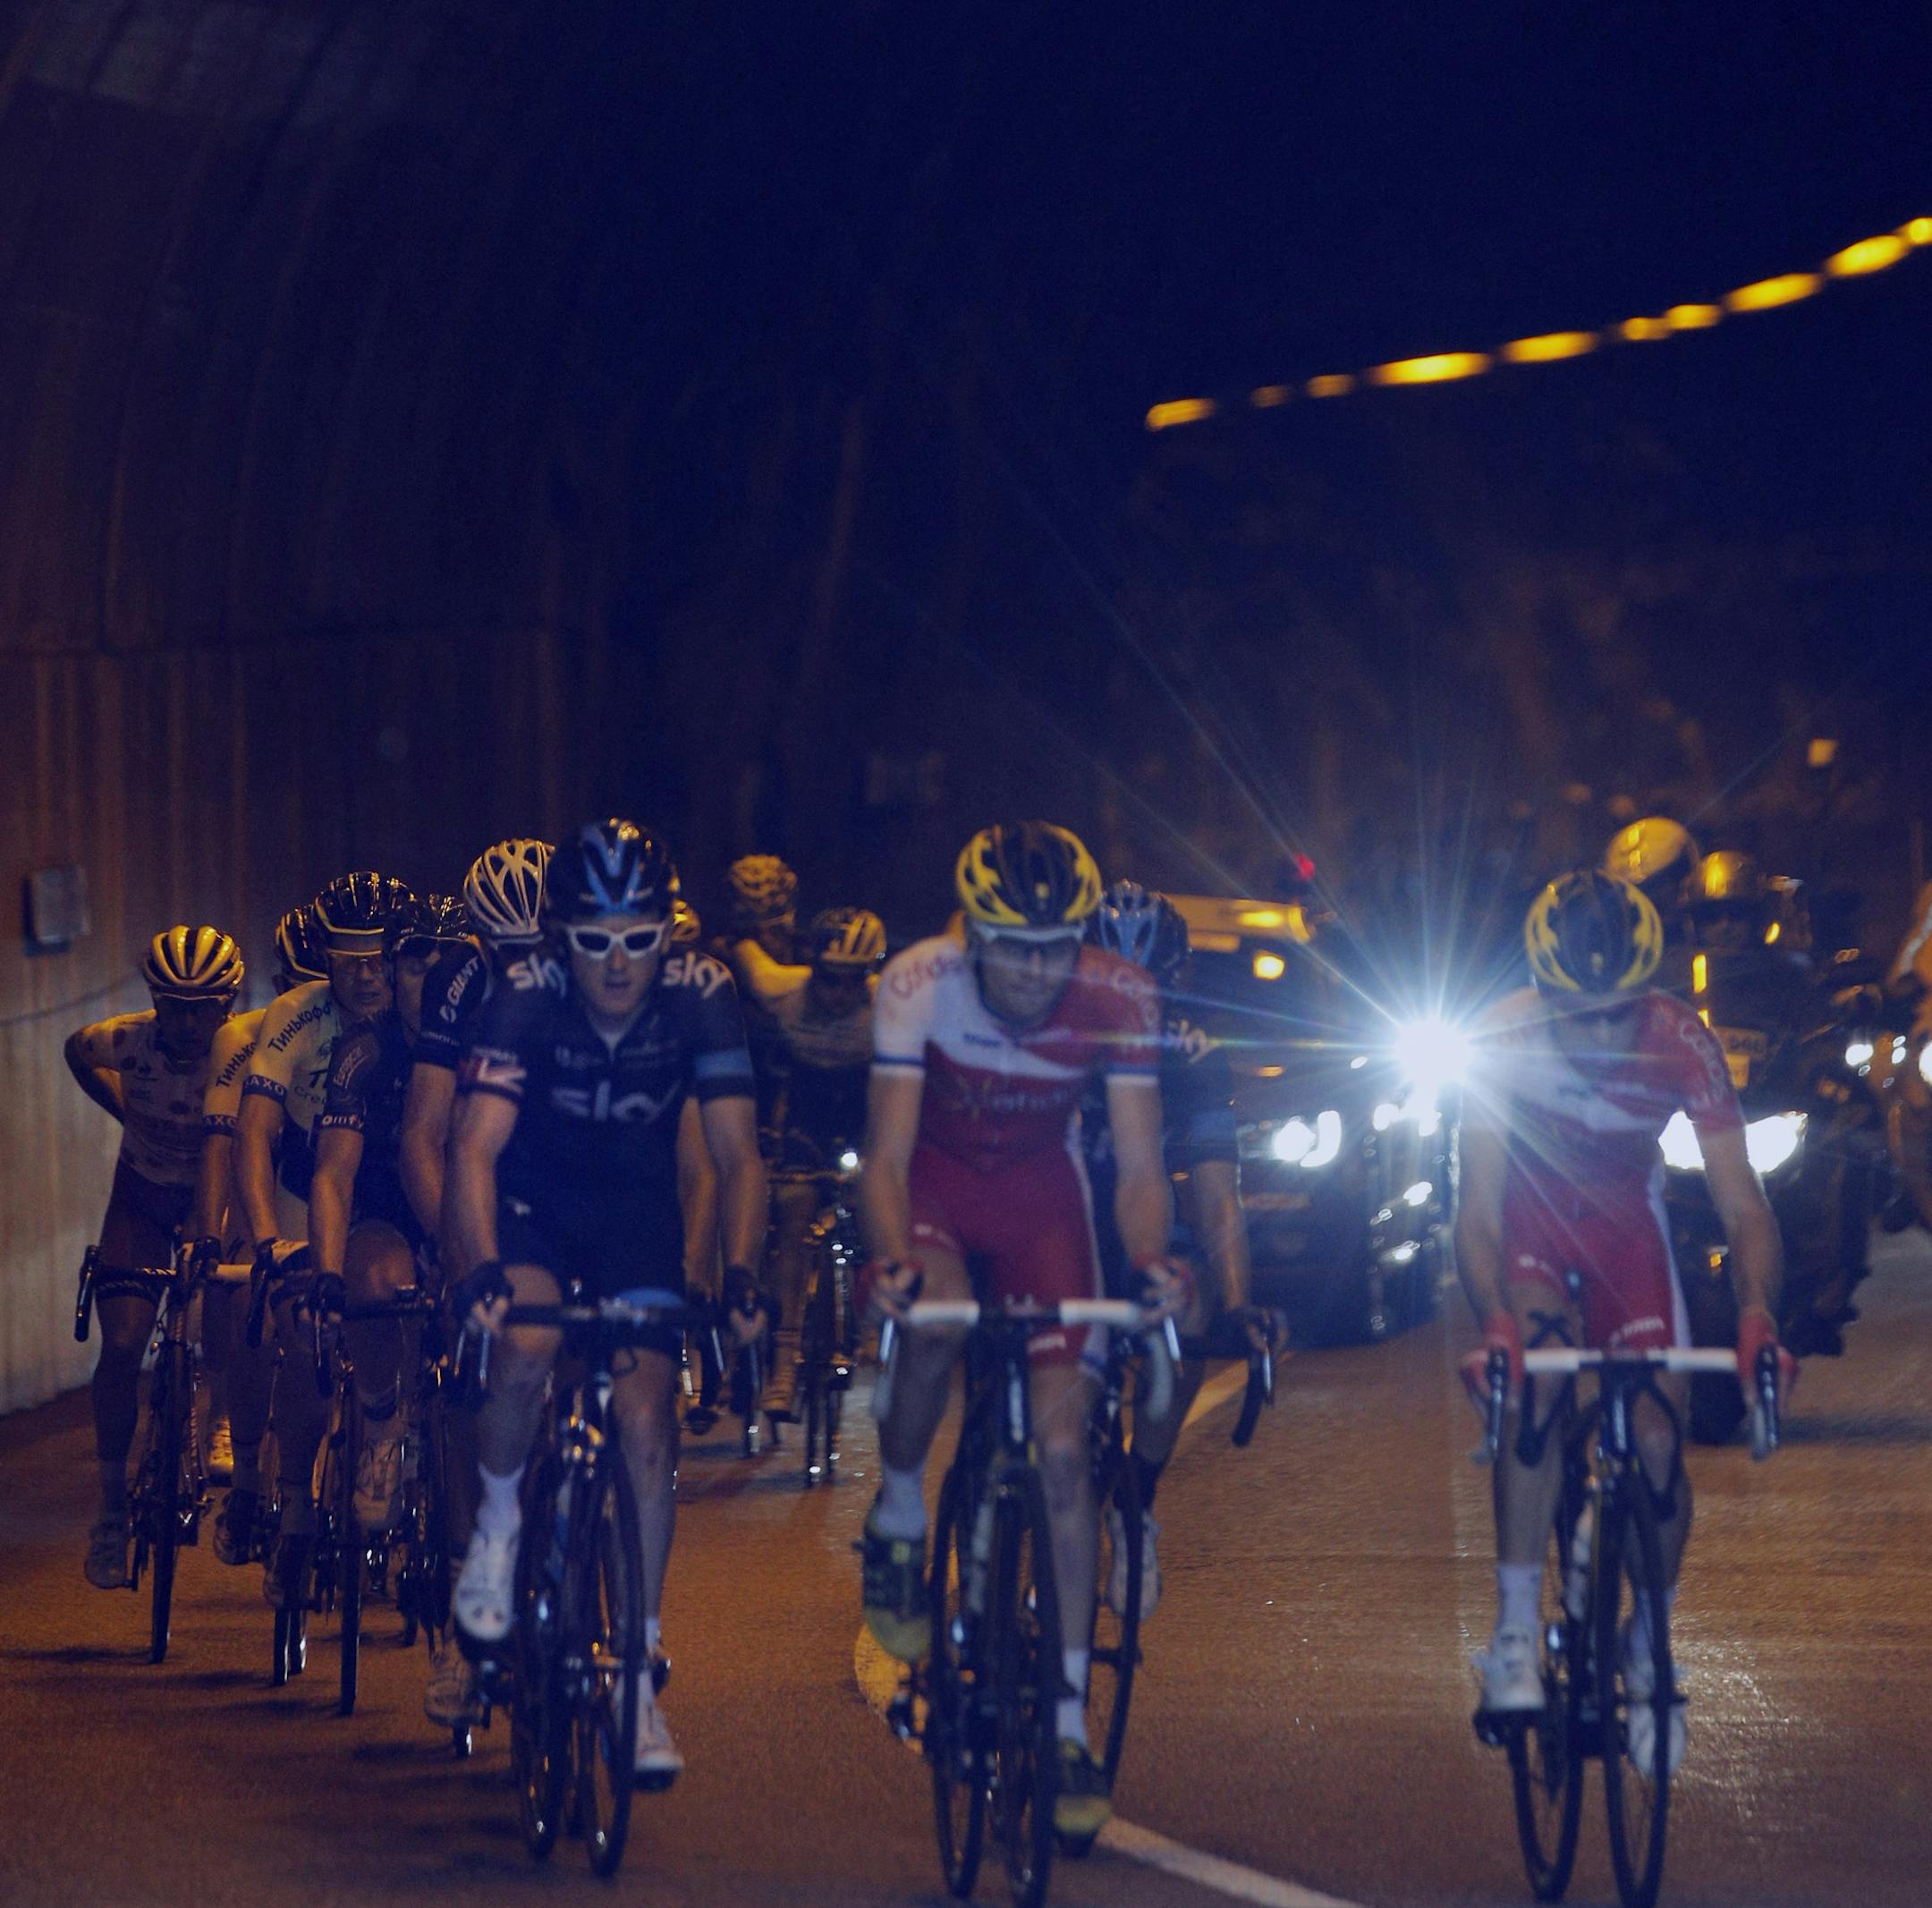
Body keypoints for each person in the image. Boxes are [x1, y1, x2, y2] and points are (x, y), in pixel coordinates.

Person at [860, 820, 1185, 1843]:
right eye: (1011, 943)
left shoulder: (1120, 993)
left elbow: (1136, 1171)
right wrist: (892, 1261)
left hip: (1047, 1207)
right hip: (941, 1193)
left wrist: (1149, 1267)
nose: (1037, 968)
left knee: (1060, 1453)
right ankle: (903, 1519)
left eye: (1056, 945)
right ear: (972, 931)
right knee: (941, 1319)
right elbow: (887, 1155)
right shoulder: (918, 983)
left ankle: (1066, 1722)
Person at [445, 819, 767, 1785]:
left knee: (645, 1421)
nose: (618, 964)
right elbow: (471, 1148)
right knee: (528, 1351)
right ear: (559, 940)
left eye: (639, 938)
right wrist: (477, 1269)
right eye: (594, 942)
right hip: (536, 1208)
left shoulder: (703, 995)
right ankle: (500, 1529)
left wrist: (740, 1276)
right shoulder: (523, 997)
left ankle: (635, 1681)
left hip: (635, 1222)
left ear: (669, 933)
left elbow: (736, 1153)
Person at [1456, 869, 1792, 1778]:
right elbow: (1478, 1211)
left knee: (1654, 1439)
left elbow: (1743, 1206)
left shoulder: (1686, 1041)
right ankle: (1518, 1628)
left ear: (1648, 991)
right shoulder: (1500, 1037)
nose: (1603, 1032)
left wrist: (1759, 1312)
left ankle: (1650, 1639)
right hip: (1532, 1226)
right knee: (1538, 1384)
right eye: (1581, 1014)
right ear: (1545, 992)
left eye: (1620, 1013)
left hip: (1625, 1232)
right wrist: (1492, 1316)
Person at [1080, 881, 1274, 1619]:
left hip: (1147, 1208)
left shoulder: (1191, 1047)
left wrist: (1237, 1303)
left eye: (1148, 980)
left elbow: (1217, 1190)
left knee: (1186, 1330)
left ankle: (1137, 1495)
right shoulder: (1050, 1027)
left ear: (1176, 977)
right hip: (1062, 1212)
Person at [236, 870, 415, 1607]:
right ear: (326, 963)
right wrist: (267, 1240)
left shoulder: (427, 1010)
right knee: (305, 1335)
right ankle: (298, 1511)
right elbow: (254, 1134)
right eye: (349, 964)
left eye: (378, 961)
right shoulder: (296, 1018)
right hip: (316, 1179)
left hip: (399, 1182)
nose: (366, 977)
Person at [64, 926, 245, 1589]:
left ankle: (223, 1413)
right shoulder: (126, 1040)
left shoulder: (242, 1050)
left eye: (204, 1005)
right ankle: (112, 1513)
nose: (189, 1019)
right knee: (121, 1345)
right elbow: (72, 1050)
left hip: (212, 1194)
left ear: (227, 1004)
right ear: (154, 1001)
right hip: (139, 1199)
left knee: (229, 1304)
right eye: (173, 1003)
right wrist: (123, 1113)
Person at [198, 907, 326, 1564]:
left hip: (336, 1183)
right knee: (261, 1309)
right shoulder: (244, 1037)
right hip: (278, 1188)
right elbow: (226, 1145)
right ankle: (248, 1472)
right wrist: (212, 1237)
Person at [739, 904, 886, 1420]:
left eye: (854, 982)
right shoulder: (783, 989)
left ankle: (872, 1326)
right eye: (830, 981)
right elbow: (747, 954)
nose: (841, 995)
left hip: (864, 1108)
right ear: (813, 971)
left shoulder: (889, 1003)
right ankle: (783, 1365)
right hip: (806, 1111)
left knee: (875, 1204)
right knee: (795, 1213)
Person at [1603, 817, 1701, 950]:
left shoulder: (1711, 937)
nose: (1648, 901)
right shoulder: (1618, 954)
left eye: (1656, 886)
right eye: (1641, 891)